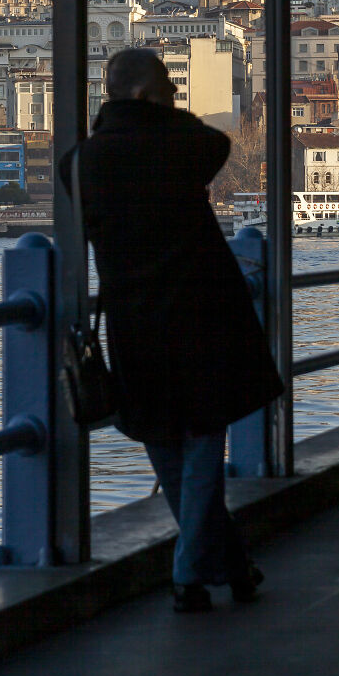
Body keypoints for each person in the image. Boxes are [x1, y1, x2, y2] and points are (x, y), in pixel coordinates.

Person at [60, 48, 282, 612]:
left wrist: (119, 117)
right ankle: (187, 574)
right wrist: (157, 113)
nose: (177, 101)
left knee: (162, 437)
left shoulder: (80, 162)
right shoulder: (183, 143)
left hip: (133, 323)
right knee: (205, 437)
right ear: (147, 97)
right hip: (200, 313)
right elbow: (215, 143)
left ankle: (231, 564)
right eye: (169, 92)